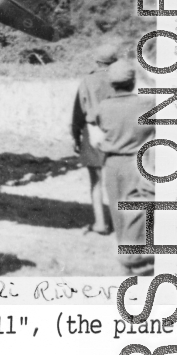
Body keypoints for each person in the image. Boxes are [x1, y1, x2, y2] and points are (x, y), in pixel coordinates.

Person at [94, 61, 155, 276]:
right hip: (139, 164)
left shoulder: (104, 106)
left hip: (112, 165)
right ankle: (142, 267)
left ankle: (125, 271)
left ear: (112, 83)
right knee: (140, 216)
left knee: (118, 216)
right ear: (132, 81)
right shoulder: (147, 105)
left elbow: (98, 133)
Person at [72, 43, 118, 235]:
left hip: (93, 132)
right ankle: (120, 224)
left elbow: (78, 113)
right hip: (116, 132)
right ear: (114, 62)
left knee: (96, 181)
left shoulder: (87, 81)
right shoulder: (121, 80)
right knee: (116, 181)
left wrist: (75, 136)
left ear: (97, 61)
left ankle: (100, 223)